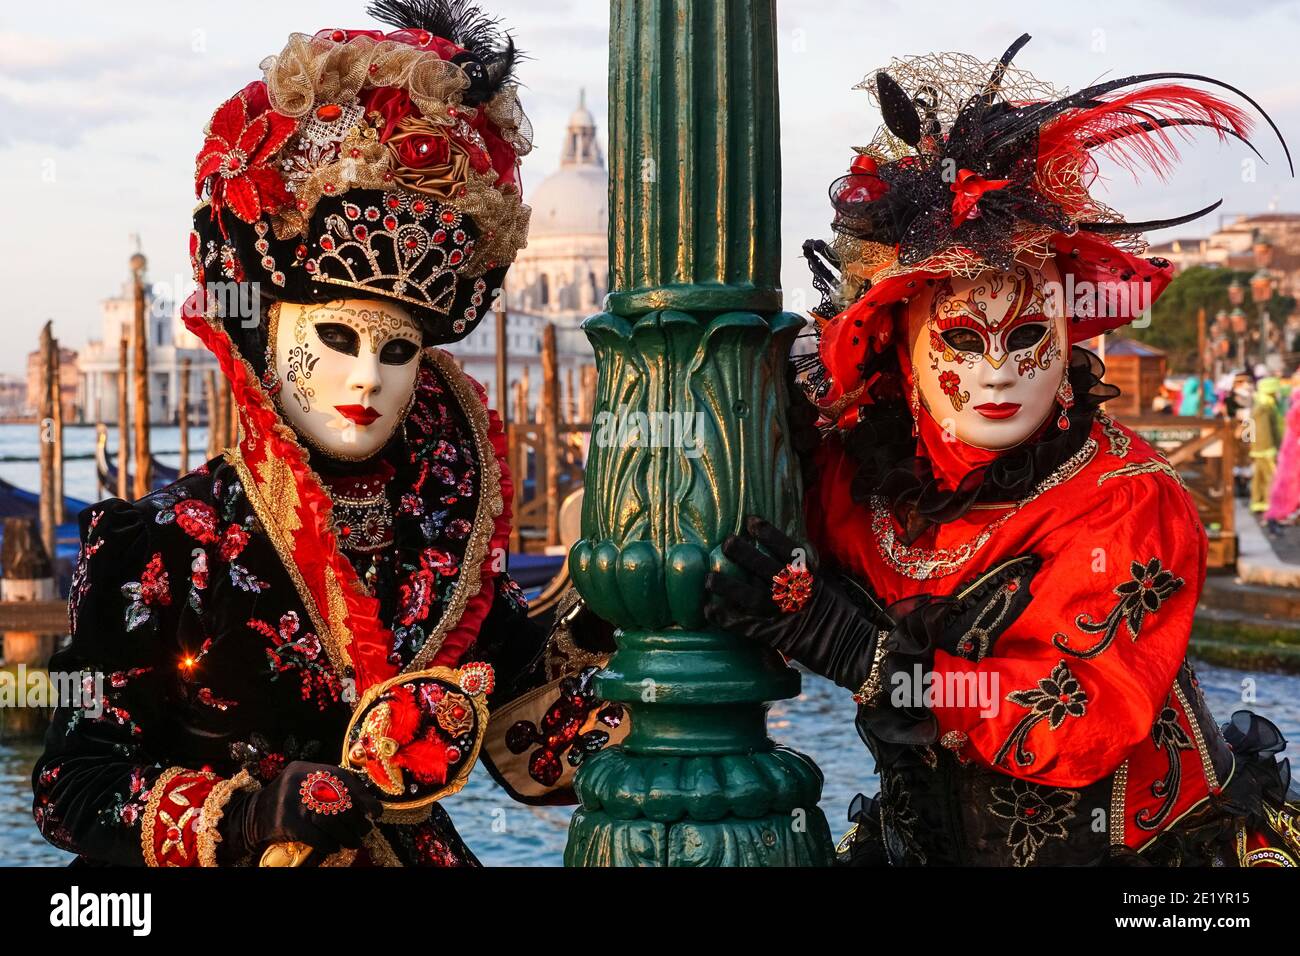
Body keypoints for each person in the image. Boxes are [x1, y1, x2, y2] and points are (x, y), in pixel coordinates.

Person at [32, 0, 616, 868]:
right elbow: (71, 785)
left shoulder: (447, 540)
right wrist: (249, 817)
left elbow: (528, 743)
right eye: (335, 338)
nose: (366, 378)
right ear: (271, 338)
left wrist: (628, 611)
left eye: (397, 350)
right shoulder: (160, 547)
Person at [707, 34, 1300, 865]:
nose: (997, 371)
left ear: (1065, 339)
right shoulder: (855, 482)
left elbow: (1075, 717)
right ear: (899, 350)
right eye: (959, 337)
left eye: (1027, 334)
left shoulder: (1125, 498)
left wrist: (860, 653)